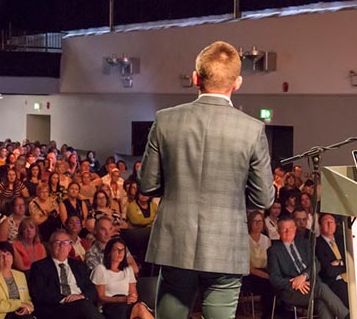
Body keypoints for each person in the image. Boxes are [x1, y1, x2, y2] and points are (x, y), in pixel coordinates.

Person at [137, 41, 275, 318]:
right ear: (237, 83)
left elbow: (147, 185)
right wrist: (234, 196)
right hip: (225, 246)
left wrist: (178, 187)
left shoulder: (165, 120)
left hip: (176, 243)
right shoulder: (252, 129)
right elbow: (263, 198)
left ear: (195, 78)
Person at [267, 215, 349, 319]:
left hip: (310, 284)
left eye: (291, 228)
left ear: (295, 229)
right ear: (278, 231)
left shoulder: (304, 243)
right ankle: (348, 316)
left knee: (322, 302)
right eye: (284, 229)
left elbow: (316, 263)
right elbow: (274, 279)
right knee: (321, 288)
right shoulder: (273, 251)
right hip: (292, 291)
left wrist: (304, 276)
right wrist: (295, 283)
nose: (288, 231)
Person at [28, 230, 103, 319]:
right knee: (84, 306)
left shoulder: (79, 265)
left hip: (81, 303)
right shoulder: (39, 266)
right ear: (50, 246)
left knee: (84, 305)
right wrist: (66, 298)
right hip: (56, 307)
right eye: (57, 242)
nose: (62, 245)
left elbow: (92, 290)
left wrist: (81, 296)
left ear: (70, 247)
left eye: (66, 242)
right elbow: (39, 292)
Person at [90, 238, 154, 319]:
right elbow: (100, 297)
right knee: (139, 309)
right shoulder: (101, 269)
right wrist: (122, 299)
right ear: (109, 252)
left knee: (139, 308)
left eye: (122, 250)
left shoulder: (128, 270)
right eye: (117, 250)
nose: (120, 253)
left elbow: (133, 293)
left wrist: (132, 298)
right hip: (109, 306)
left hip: (127, 305)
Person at [0, 241, 34, 319]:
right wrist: (19, 304)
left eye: (8, 254)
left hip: (20, 315)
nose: (6, 258)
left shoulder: (20, 275)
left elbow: (27, 301)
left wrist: (27, 309)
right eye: (1, 256)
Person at [243, 210, 274, 319]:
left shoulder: (267, 240)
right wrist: (262, 274)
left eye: (260, 221)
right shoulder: (244, 240)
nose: (258, 224)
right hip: (249, 274)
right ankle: (267, 315)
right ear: (250, 223)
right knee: (267, 284)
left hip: (265, 271)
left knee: (274, 281)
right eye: (255, 221)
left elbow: (270, 261)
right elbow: (246, 265)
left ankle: (274, 311)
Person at [314, 213, 348, 307]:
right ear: (320, 226)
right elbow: (329, 271)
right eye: (326, 222)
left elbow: (352, 261)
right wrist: (346, 266)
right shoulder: (317, 244)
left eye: (331, 222)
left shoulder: (343, 240)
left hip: (350, 278)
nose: (329, 224)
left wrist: (339, 264)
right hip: (334, 282)